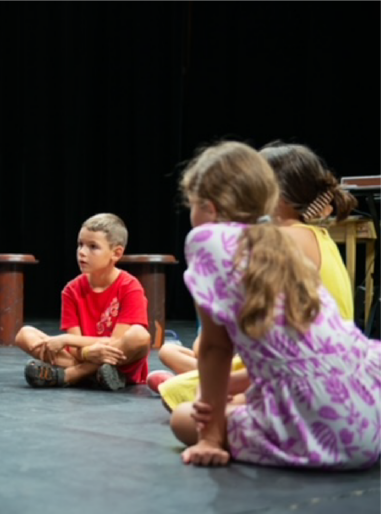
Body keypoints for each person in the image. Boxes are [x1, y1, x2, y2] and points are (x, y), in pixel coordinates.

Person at [171, 140, 381, 469]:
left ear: (209, 208)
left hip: (332, 435)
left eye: (192, 204)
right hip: (369, 410)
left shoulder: (209, 239)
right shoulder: (284, 243)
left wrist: (210, 437)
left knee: (184, 418)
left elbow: (214, 347)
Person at [152, 142, 359, 410]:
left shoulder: (281, 240)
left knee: (183, 404)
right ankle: (201, 382)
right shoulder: (316, 235)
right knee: (171, 352)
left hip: (303, 366)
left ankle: (197, 383)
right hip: (325, 363)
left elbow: (234, 338)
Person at [16, 213, 151, 390]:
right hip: (83, 356)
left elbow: (116, 343)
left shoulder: (130, 286)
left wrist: (67, 340)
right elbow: (74, 347)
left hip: (117, 360)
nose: (82, 252)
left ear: (116, 253)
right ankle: (94, 374)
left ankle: (72, 375)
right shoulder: (71, 290)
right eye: (80, 244)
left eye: (93, 247)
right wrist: (88, 352)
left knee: (139, 336)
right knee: (24, 334)